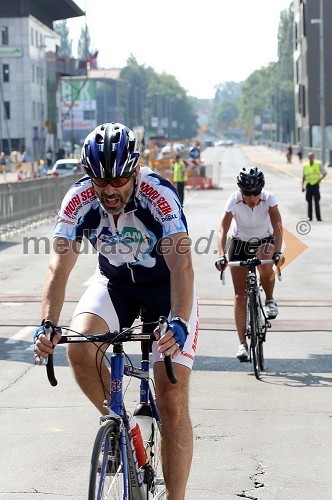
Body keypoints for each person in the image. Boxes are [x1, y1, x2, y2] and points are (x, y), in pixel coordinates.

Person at [34, 122, 198, 499]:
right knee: (79, 347)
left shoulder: (158, 194)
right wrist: (47, 323)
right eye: (99, 181)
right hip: (115, 284)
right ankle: (122, 426)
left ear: (135, 170)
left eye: (118, 180)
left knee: (171, 399)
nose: (109, 190)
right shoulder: (78, 199)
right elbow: (58, 267)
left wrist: (178, 319)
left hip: (164, 289)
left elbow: (182, 266)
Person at [215, 167, 284, 361]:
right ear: (240, 191)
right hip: (240, 242)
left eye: (256, 193)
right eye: (247, 193)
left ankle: (269, 299)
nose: (252, 197)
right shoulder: (234, 200)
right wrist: (221, 255)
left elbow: (278, 227)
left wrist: (278, 252)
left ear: (261, 190)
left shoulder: (269, 199)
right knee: (240, 295)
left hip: (264, 239)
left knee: (265, 261)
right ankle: (242, 344)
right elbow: (222, 230)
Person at [302, 152, 327, 221]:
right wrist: (302, 186)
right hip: (309, 185)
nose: (310, 158)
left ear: (313, 157)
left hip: (316, 185)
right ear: (308, 158)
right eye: (309, 157)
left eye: (311, 157)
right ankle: (309, 217)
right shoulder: (306, 166)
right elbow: (303, 176)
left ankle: (318, 217)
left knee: (317, 201)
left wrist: (319, 180)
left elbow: (325, 173)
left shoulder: (318, 164)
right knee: (309, 201)